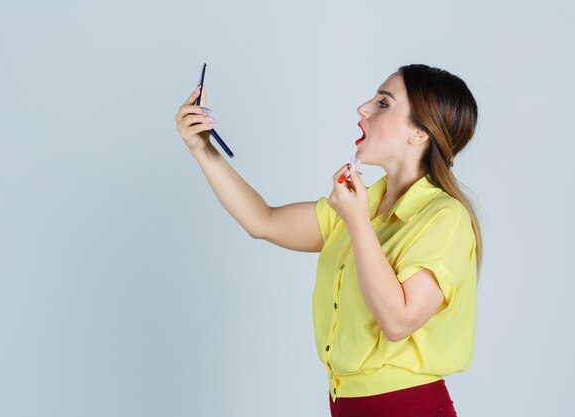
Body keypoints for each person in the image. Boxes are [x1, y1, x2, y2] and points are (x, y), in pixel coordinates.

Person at [174, 63, 483, 417]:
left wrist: (357, 223)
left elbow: (398, 321)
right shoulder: (364, 205)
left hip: (405, 406)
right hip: (345, 404)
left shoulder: (444, 217)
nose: (363, 108)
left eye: (383, 103)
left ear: (419, 134)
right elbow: (264, 221)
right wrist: (202, 149)